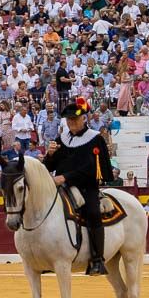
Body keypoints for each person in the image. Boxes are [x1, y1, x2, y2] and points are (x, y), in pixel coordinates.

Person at [43, 97, 113, 276]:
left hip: (85, 186)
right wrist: (50, 155)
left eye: (75, 119)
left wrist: (65, 177)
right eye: (68, 120)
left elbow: (91, 169)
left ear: (84, 118)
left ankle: (97, 260)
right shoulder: (62, 138)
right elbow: (48, 167)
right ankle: (45, 256)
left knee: (92, 213)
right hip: (61, 187)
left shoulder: (95, 139)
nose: (71, 122)